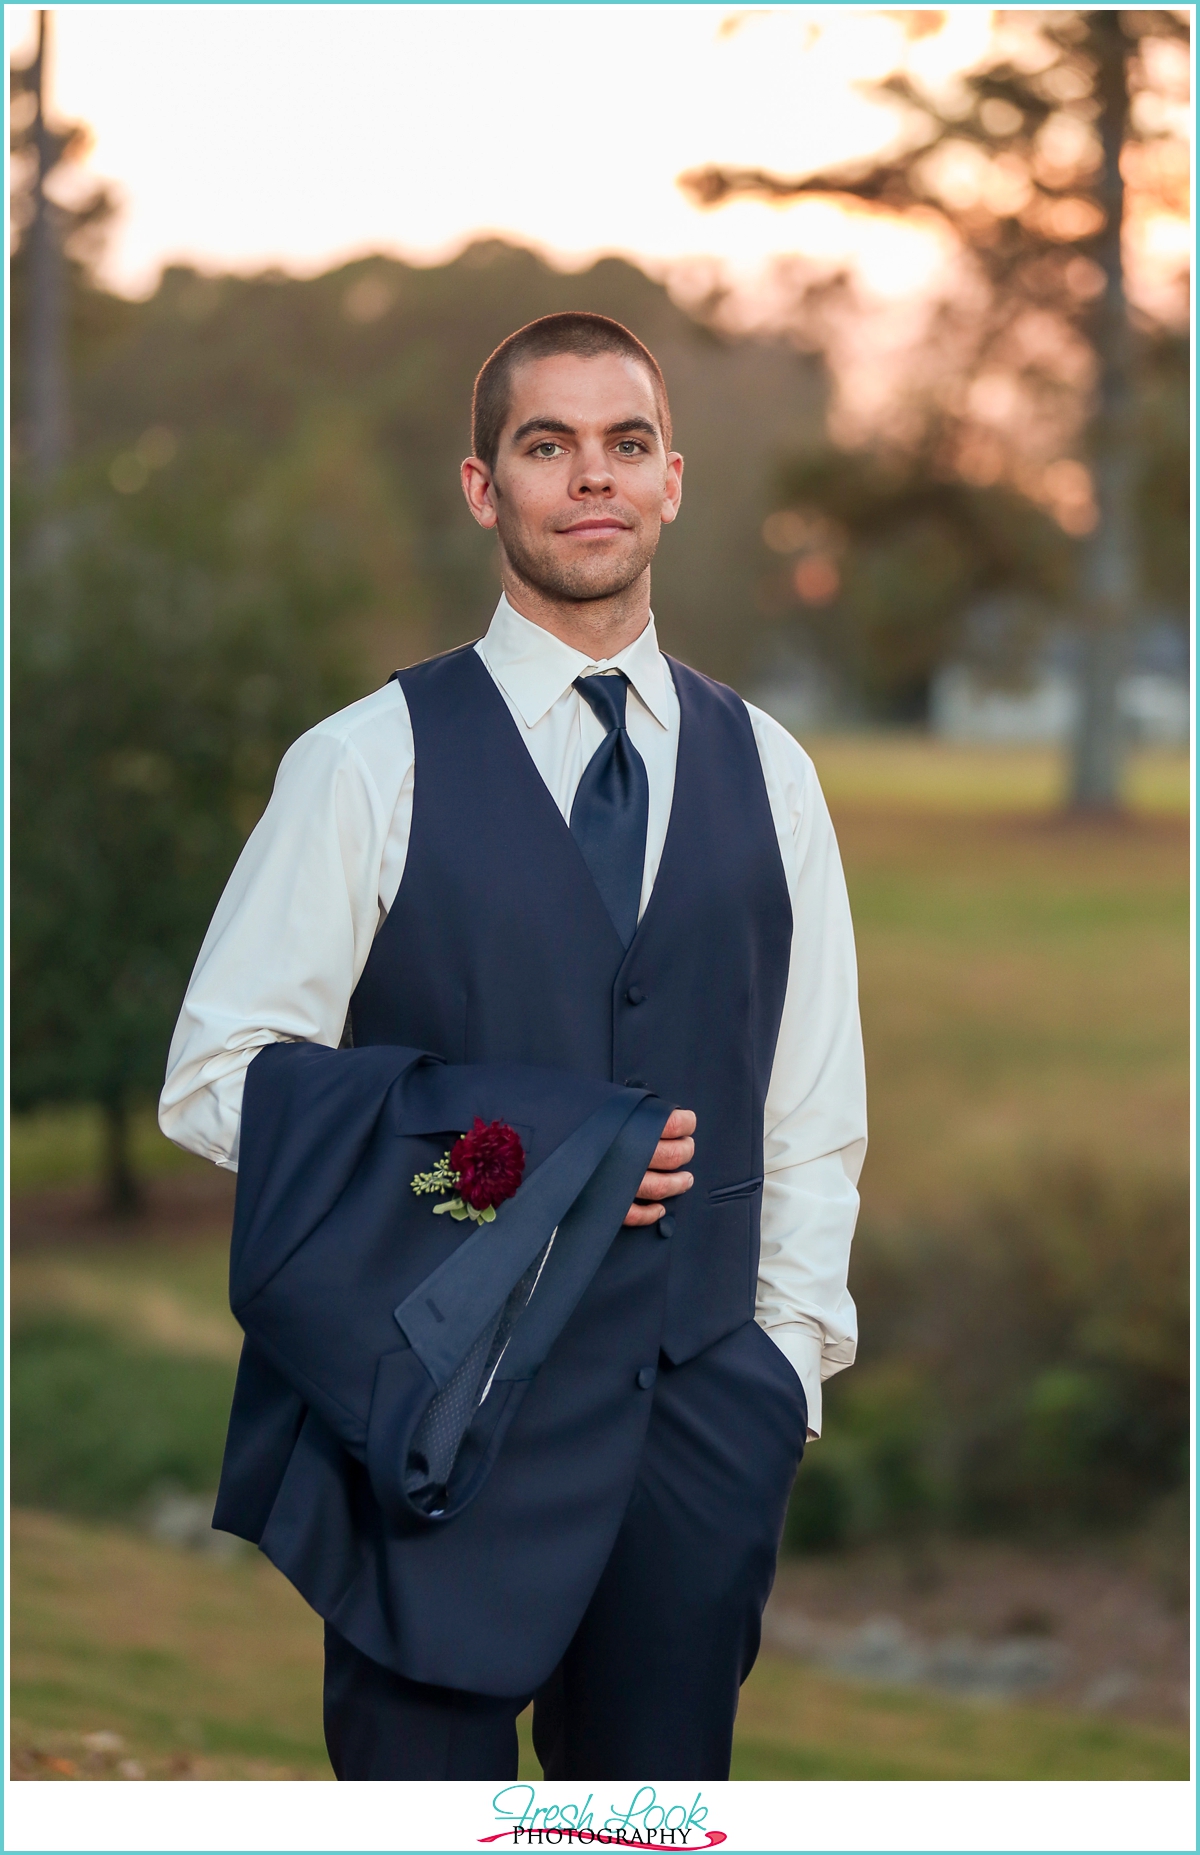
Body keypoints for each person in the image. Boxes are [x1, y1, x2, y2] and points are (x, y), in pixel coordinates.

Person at [159, 311, 866, 1782]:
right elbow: (221, 1079)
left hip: (696, 1432)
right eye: (547, 446)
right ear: (485, 488)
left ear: (674, 478)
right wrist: (526, 1153)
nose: (589, 479)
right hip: (430, 1425)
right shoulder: (364, 762)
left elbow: (810, 1109)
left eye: (624, 446)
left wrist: (780, 1380)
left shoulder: (774, 775)